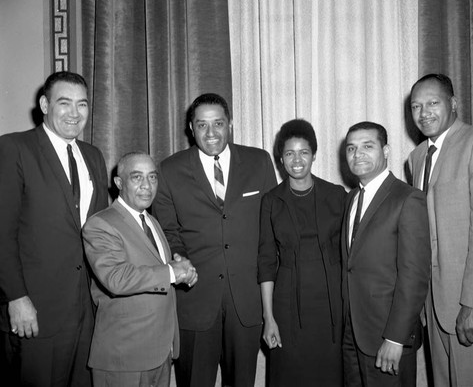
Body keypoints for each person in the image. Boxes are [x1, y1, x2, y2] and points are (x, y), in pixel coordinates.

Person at [152, 93, 277, 387]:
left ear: (230, 124)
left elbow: (271, 229)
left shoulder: (259, 162)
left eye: (218, 123)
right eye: (202, 125)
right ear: (191, 129)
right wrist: (181, 259)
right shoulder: (169, 170)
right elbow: (168, 231)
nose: (211, 133)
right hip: (195, 299)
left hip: (246, 301)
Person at [0, 71, 109, 386]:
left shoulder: (93, 156)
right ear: (45, 104)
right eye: (65, 103)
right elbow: (2, 234)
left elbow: (99, 229)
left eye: (82, 104)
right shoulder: (14, 148)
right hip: (34, 311)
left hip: (85, 310)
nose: (75, 113)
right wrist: (16, 299)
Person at [408, 73, 473, 386]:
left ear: (454, 104)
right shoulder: (417, 157)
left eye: (432, 102)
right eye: (416, 106)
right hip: (435, 308)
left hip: (472, 310)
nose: (424, 112)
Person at [82, 152, 197, 387]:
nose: (147, 186)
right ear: (119, 183)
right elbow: (116, 278)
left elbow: (158, 272)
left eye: (153, 177)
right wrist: (172, 272)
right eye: (137, 177)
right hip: (124, 356)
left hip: (160, 351)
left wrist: (182, 274)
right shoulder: (100, 223)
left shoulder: (151, 221)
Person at [341, 121, 431, 387]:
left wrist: (395, 338)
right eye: (351, 148)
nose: (358, 154)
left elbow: (414, 275)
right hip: (352, 336)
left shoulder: (407, 199)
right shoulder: (351, 199)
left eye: (367, 146)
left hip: (388, 339)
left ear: (387, 150)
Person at [258, 119, 346, 386]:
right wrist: (268, 317)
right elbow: (266, 260)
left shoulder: (337, 195)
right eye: (289, 153)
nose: (297, 160)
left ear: (315, 155)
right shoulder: (271, 201)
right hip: (286, 305)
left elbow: (349, 255)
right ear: (280, 159)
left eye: (304, 152)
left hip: (332, 303)